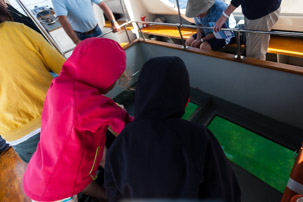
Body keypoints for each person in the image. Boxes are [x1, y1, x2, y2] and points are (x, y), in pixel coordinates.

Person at [104, 56, 241, 202]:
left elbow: (114, 195)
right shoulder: (198, 138)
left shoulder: (119, 145)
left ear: (140, 93)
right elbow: (228, 194)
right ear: (185, 99)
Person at [23, 38, 133, 202]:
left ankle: (108, 197)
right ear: (103, 76)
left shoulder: (60, 85)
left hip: (42, 171)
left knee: (86, 174)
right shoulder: (93, 105)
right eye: (115, 78)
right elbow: (130, 126)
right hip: (54, 190)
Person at [0, 4, 65, 163]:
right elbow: (64, 69)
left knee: (62, 181)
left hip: (18, 136)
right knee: (90, 161)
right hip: (56, 116)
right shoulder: (17, 29)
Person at [214, 0, 281, 60]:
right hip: (256, 10)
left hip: (260, 12)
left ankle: (255, 73)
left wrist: (224, 16)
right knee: (252, 52)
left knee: (255, 57)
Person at [52, 0, 121, 45]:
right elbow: (62, 19)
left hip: (97, 30)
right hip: (82, 36)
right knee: (93, 59)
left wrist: (114, 22)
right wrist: (76, 41)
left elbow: (102, 4)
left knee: (104, 53)